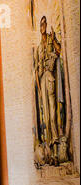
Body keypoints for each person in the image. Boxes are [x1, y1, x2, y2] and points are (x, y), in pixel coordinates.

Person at [34, 15, 62, 165]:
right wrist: (38, 87)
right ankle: (50, 155)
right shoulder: (38, 48)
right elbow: (37, 67)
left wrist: (55, 38)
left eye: (44, 24)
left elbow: (59, 50)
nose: (43, 27)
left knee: (53, 115)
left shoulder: (51, 39)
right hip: (42, 81)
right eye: (41, 25)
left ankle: (57, 154)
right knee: (45, 118)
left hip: (50, 77)